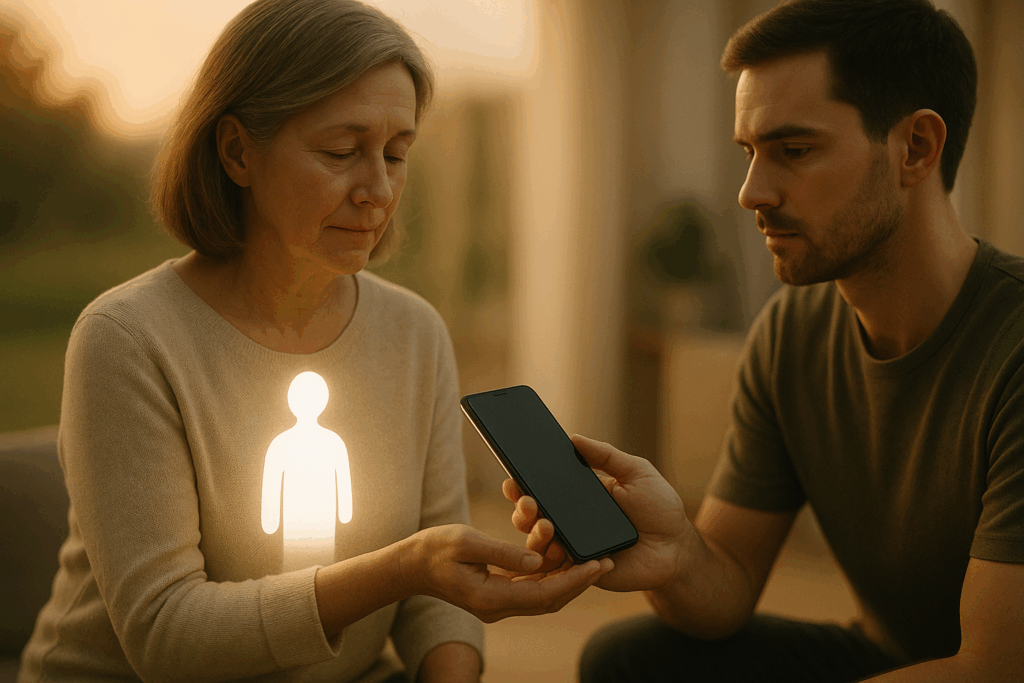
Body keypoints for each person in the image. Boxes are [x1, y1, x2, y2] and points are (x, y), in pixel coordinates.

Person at [16, 1, 612, 682]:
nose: (379, 190)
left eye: (396, 154)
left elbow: (436, 597)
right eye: (340, 152)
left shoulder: (414, 333)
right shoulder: (126, 340)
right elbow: (166, 635)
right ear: (238, 150)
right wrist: (398, 567)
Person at [507, 0, 1024, 681]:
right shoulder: (791, 336)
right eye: (750, 153)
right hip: (896, 660)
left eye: (795, 151)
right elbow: (726, 589)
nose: (751, 192)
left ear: (916, 148)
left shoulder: (1011, 343)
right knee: (629, 658)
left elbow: (992, 667)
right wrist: (675, 552)